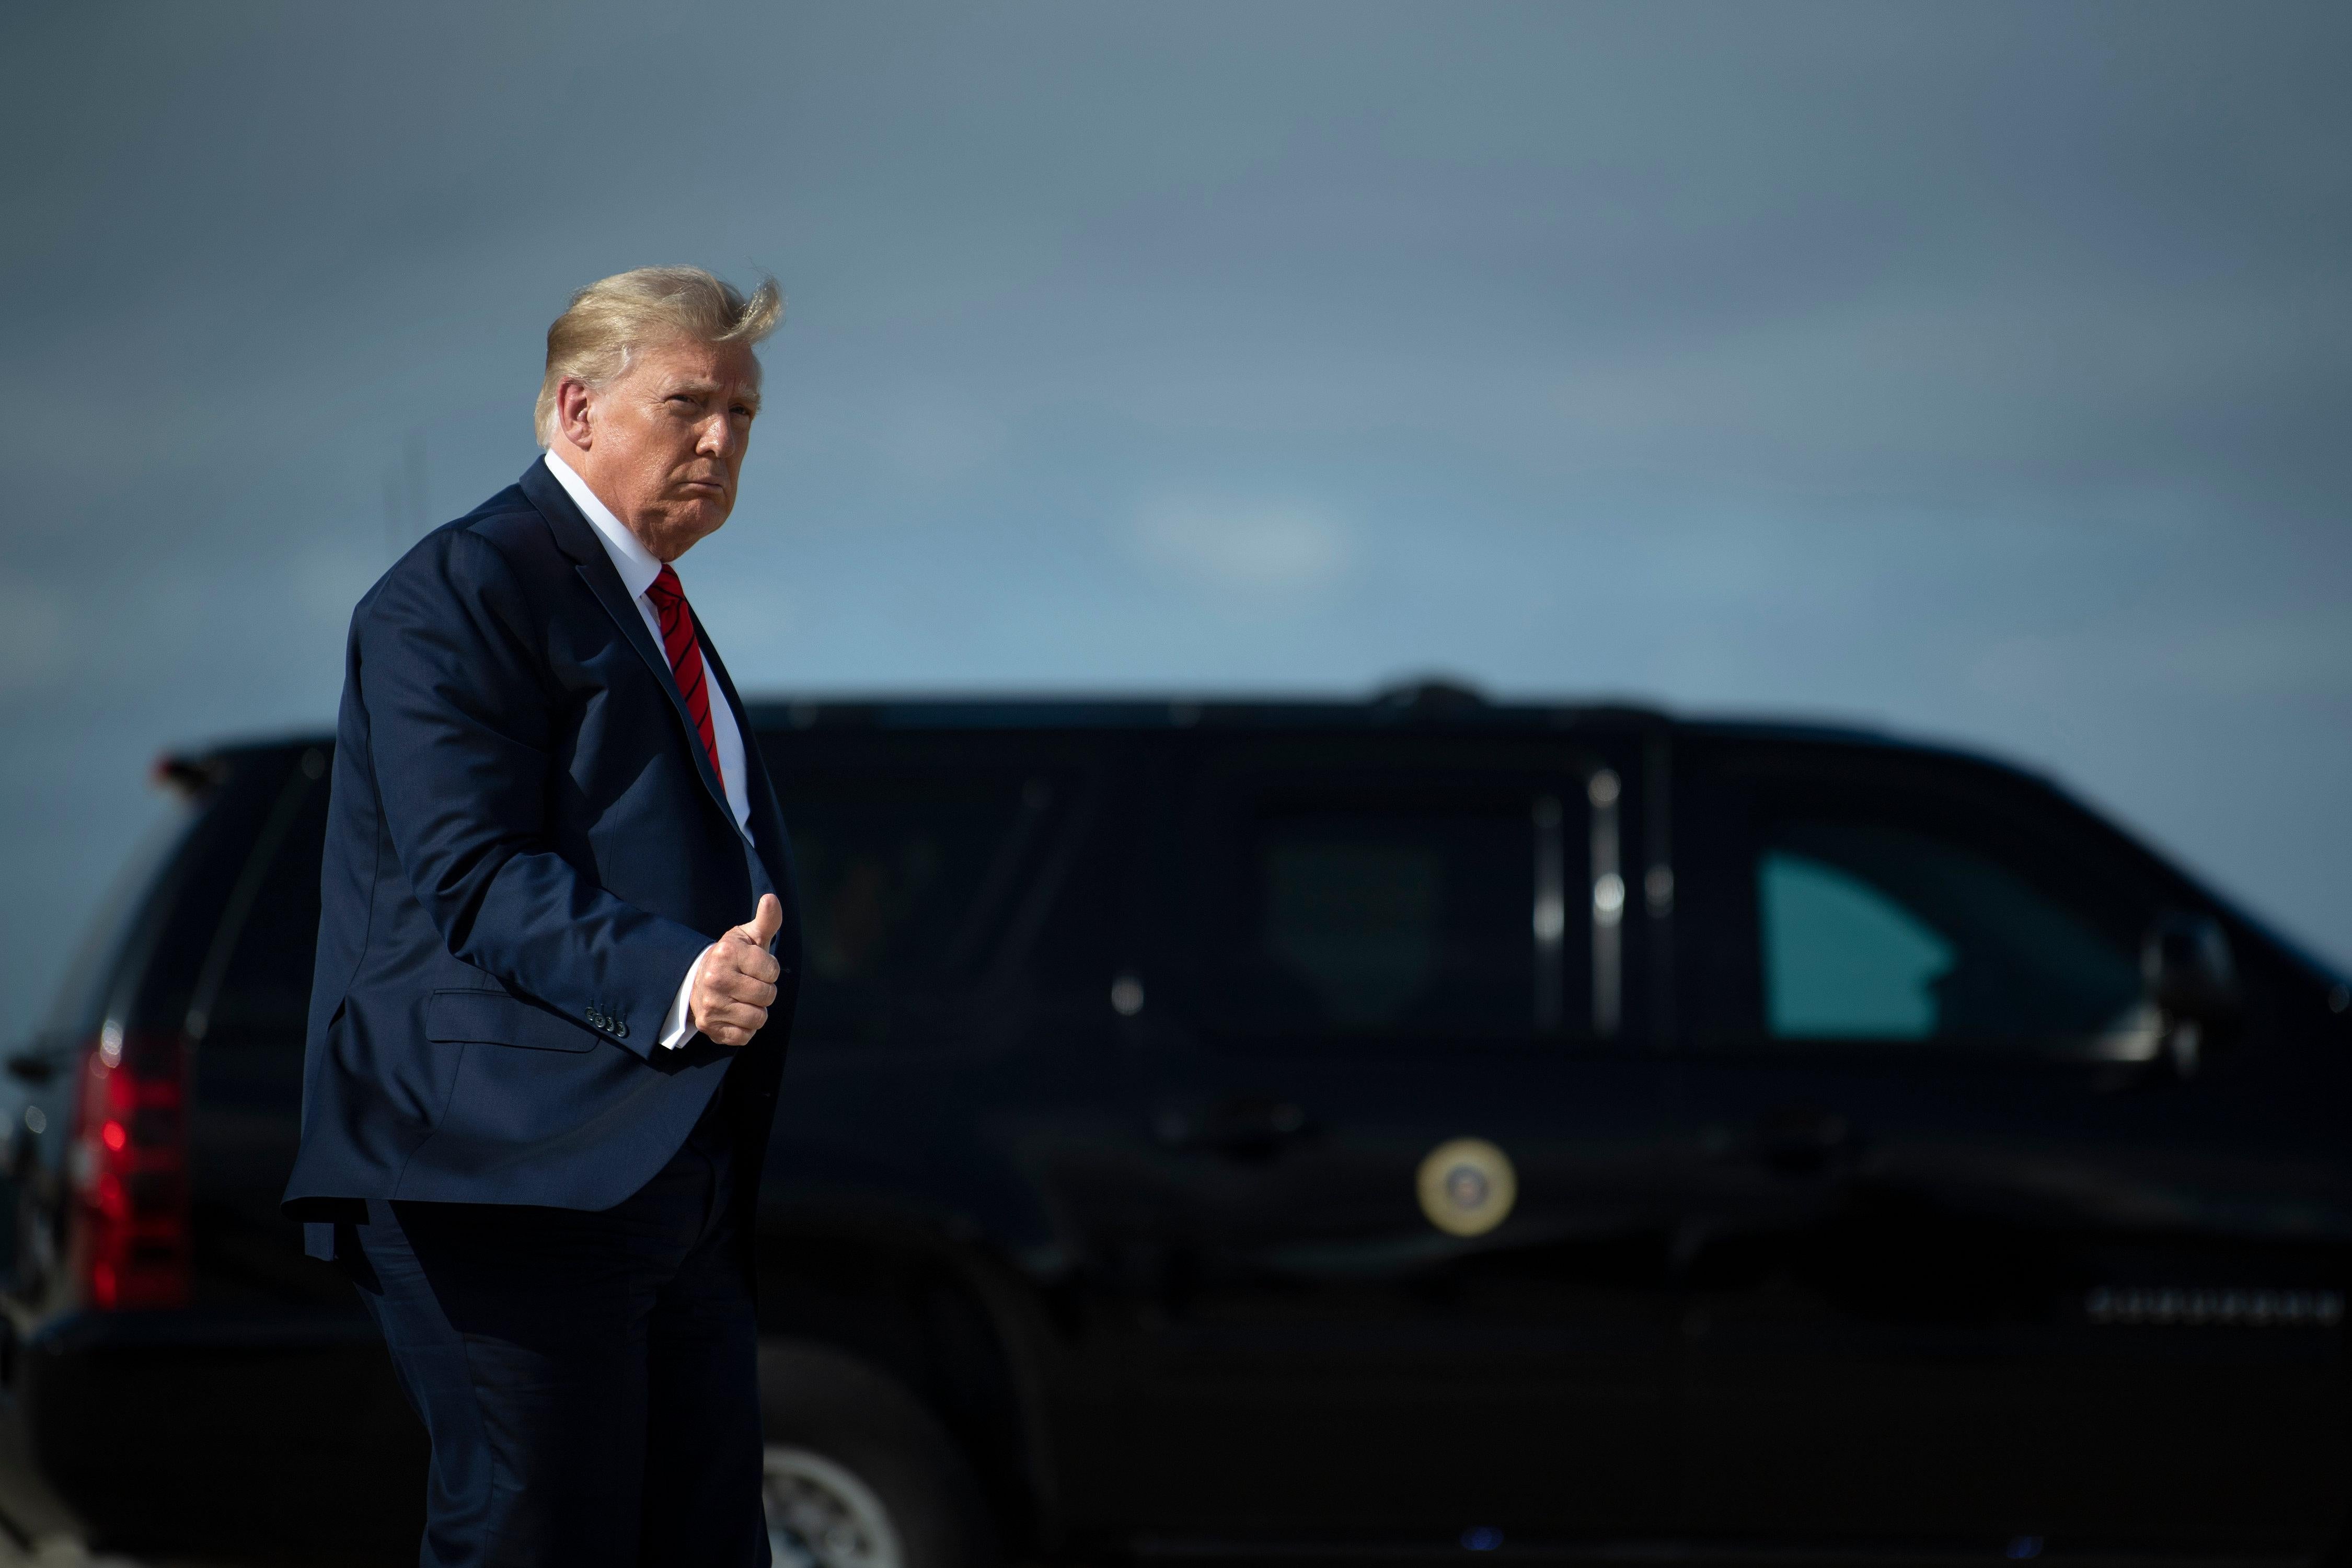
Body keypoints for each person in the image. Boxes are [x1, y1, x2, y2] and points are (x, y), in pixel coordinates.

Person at [283, 267, 800, 1567]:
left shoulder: (654, 606)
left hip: (668, 1174)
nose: (721, 440)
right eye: (688, 403)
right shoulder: (458, 588)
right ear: (575, 409)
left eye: (743, 412)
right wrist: (684, 980)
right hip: (497, 1172)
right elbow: (472, 873)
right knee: (533, 1543)